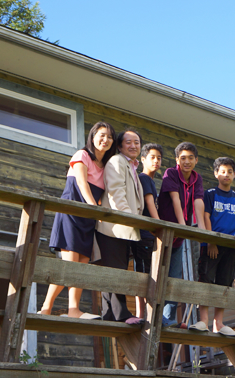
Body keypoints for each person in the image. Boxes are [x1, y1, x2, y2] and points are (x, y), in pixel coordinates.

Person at [39, 121, 116, 319]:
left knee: (80, 266)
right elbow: (82, 184)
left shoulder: (105, 167)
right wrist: (95, 208)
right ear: (92, 137)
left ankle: (73, 309)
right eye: (101, 135)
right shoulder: (82, 155)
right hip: (71, 213)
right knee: (69, 265)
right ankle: (46, 308)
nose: (105, 140)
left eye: (109, 137)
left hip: (88, 219)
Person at [189, 157, 235, 336]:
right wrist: (211, 241)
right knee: (206, 278)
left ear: (234, 175)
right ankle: (204, 320)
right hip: (211, 244)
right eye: (222, 171)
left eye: (230, 172)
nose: (226, 175)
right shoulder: (210, 194)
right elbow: (206, 217)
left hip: (230, 246)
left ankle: (219, 323)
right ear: (216, 174)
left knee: (225, 282)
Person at [95, 128, 145, 325]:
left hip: (124, 227)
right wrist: (129, 218)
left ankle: (109, 313)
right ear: (119, 146)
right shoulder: (117, 161)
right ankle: (121, 313)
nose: (133, 146)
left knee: (115, 269)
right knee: (116, 270)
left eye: (137, 142)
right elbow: (116, 192)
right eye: (128, 142)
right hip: (115, 225)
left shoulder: (131, 166)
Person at [157, 142, 205, 327]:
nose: (187, 161)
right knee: (159, 273)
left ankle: (168, 319)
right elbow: (175, 199)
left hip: (179, 238)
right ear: (177, 160)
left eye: (191, 158)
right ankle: (156, 317)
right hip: (165, 233)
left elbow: (198, 201)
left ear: (196, 160)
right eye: (183, 158)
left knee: (174, 277)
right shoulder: (171, 173)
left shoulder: (196, 178)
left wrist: (202, 228)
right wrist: (182, 225)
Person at [132, 143, 163, 318]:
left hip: (147, 234)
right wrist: (158, 226)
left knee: (149, 273)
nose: (156, 161)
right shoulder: (143, 178)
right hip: (144, 233)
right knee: (143, 274)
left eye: (159, 158)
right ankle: (141, 313)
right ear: (143, 159)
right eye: (152, 157)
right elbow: (149, 202)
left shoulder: (150, 180)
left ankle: (146, 313)